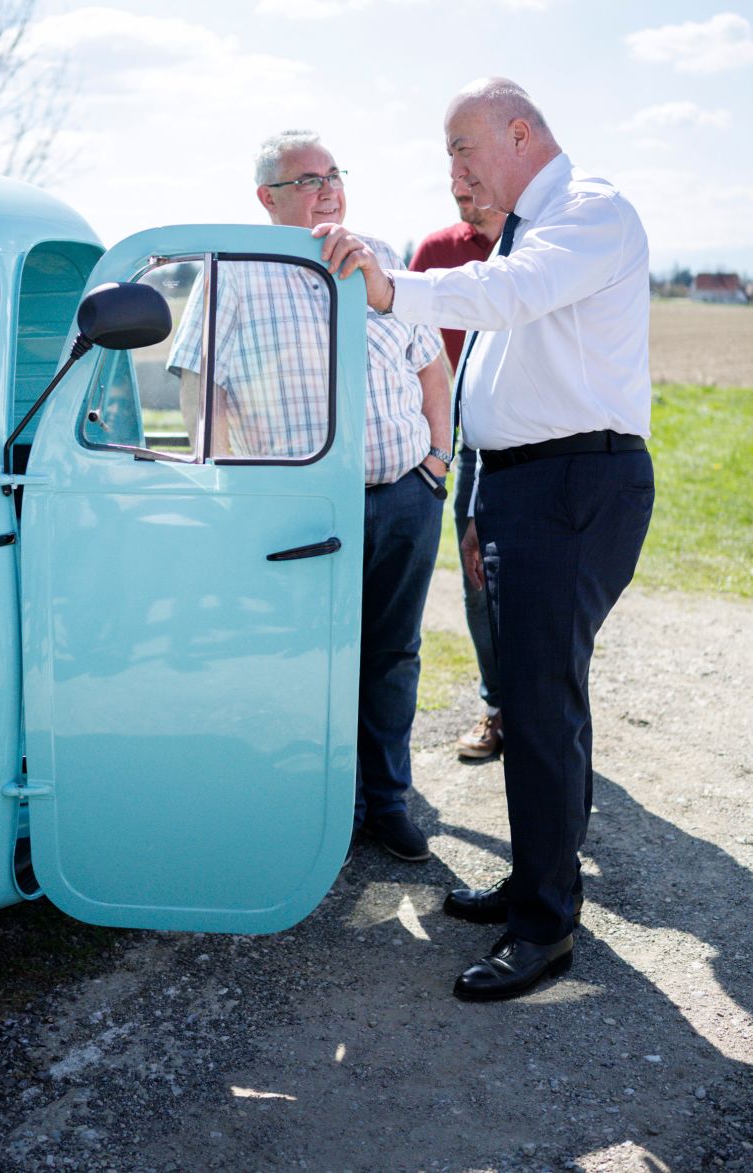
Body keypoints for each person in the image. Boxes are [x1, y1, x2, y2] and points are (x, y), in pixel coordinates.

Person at [317, 78, 655, 1000]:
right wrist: (478, 494)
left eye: (462, 149)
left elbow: (510, 295)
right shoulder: (532, 227)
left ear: (518, 134)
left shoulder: (588, 212)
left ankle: (544, 928)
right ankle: (536, 880)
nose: (455, 173)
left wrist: (391, 286)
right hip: (525, 486)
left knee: (539, 706)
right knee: (538, 697)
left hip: (571, 484)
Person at [168, 129, 451, 862]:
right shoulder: (234, 269)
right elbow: (200, 384)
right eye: (308, 180)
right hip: (299, 513)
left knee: (392, 656)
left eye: (334, 175)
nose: (329, 189)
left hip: (405, 495)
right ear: (267, 198)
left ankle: (387, 802)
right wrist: (234, 491)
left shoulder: (379, 258)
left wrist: (437, 462)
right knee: (304, 660)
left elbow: (431, 368)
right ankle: (317, 810)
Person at [410, 180, 507, 763]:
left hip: (548, 441)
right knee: (479, 578)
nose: (460, 186)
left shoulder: (540, 243)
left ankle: (546, 709)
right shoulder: (436, 252)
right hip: (473, 439)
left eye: (472, 171)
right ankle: (497, 706)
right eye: (454, 172)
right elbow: (407, 344)